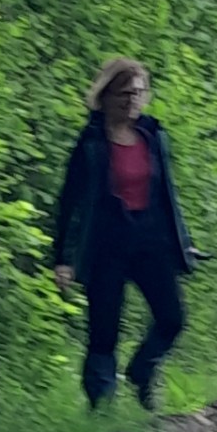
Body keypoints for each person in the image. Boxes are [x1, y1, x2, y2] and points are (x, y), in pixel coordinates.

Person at [53, 57, 199, 408]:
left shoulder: (152, 136)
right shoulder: (90, 143)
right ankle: (102, 409)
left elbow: (168, 197)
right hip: (106, 245)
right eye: (124, 93)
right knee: (104, 332)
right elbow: (69, 205)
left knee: (172, 318)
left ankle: (143, 370)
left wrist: (184, 241)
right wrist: (63, 259)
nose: (132, 100)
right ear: (105, 97)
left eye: (138, 92)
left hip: (151, 242)